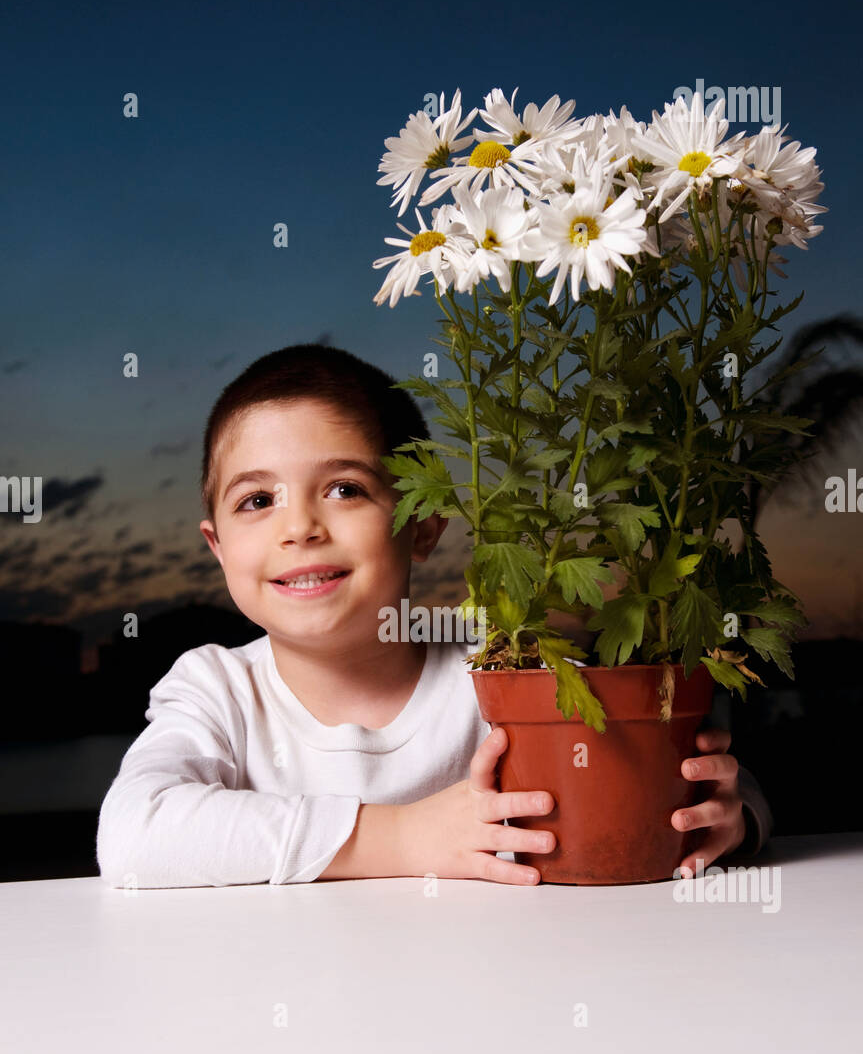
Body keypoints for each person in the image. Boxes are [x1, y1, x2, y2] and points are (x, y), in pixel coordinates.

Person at [96, 343, 772, 889]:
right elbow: (134, 833)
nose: (298, 526)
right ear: (216, 545)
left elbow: (670, 775)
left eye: (343, 489)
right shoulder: (215, 688)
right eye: (256, 500)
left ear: (421, 523)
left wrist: (730, 814)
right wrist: (400, 837)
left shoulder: (502, 663)